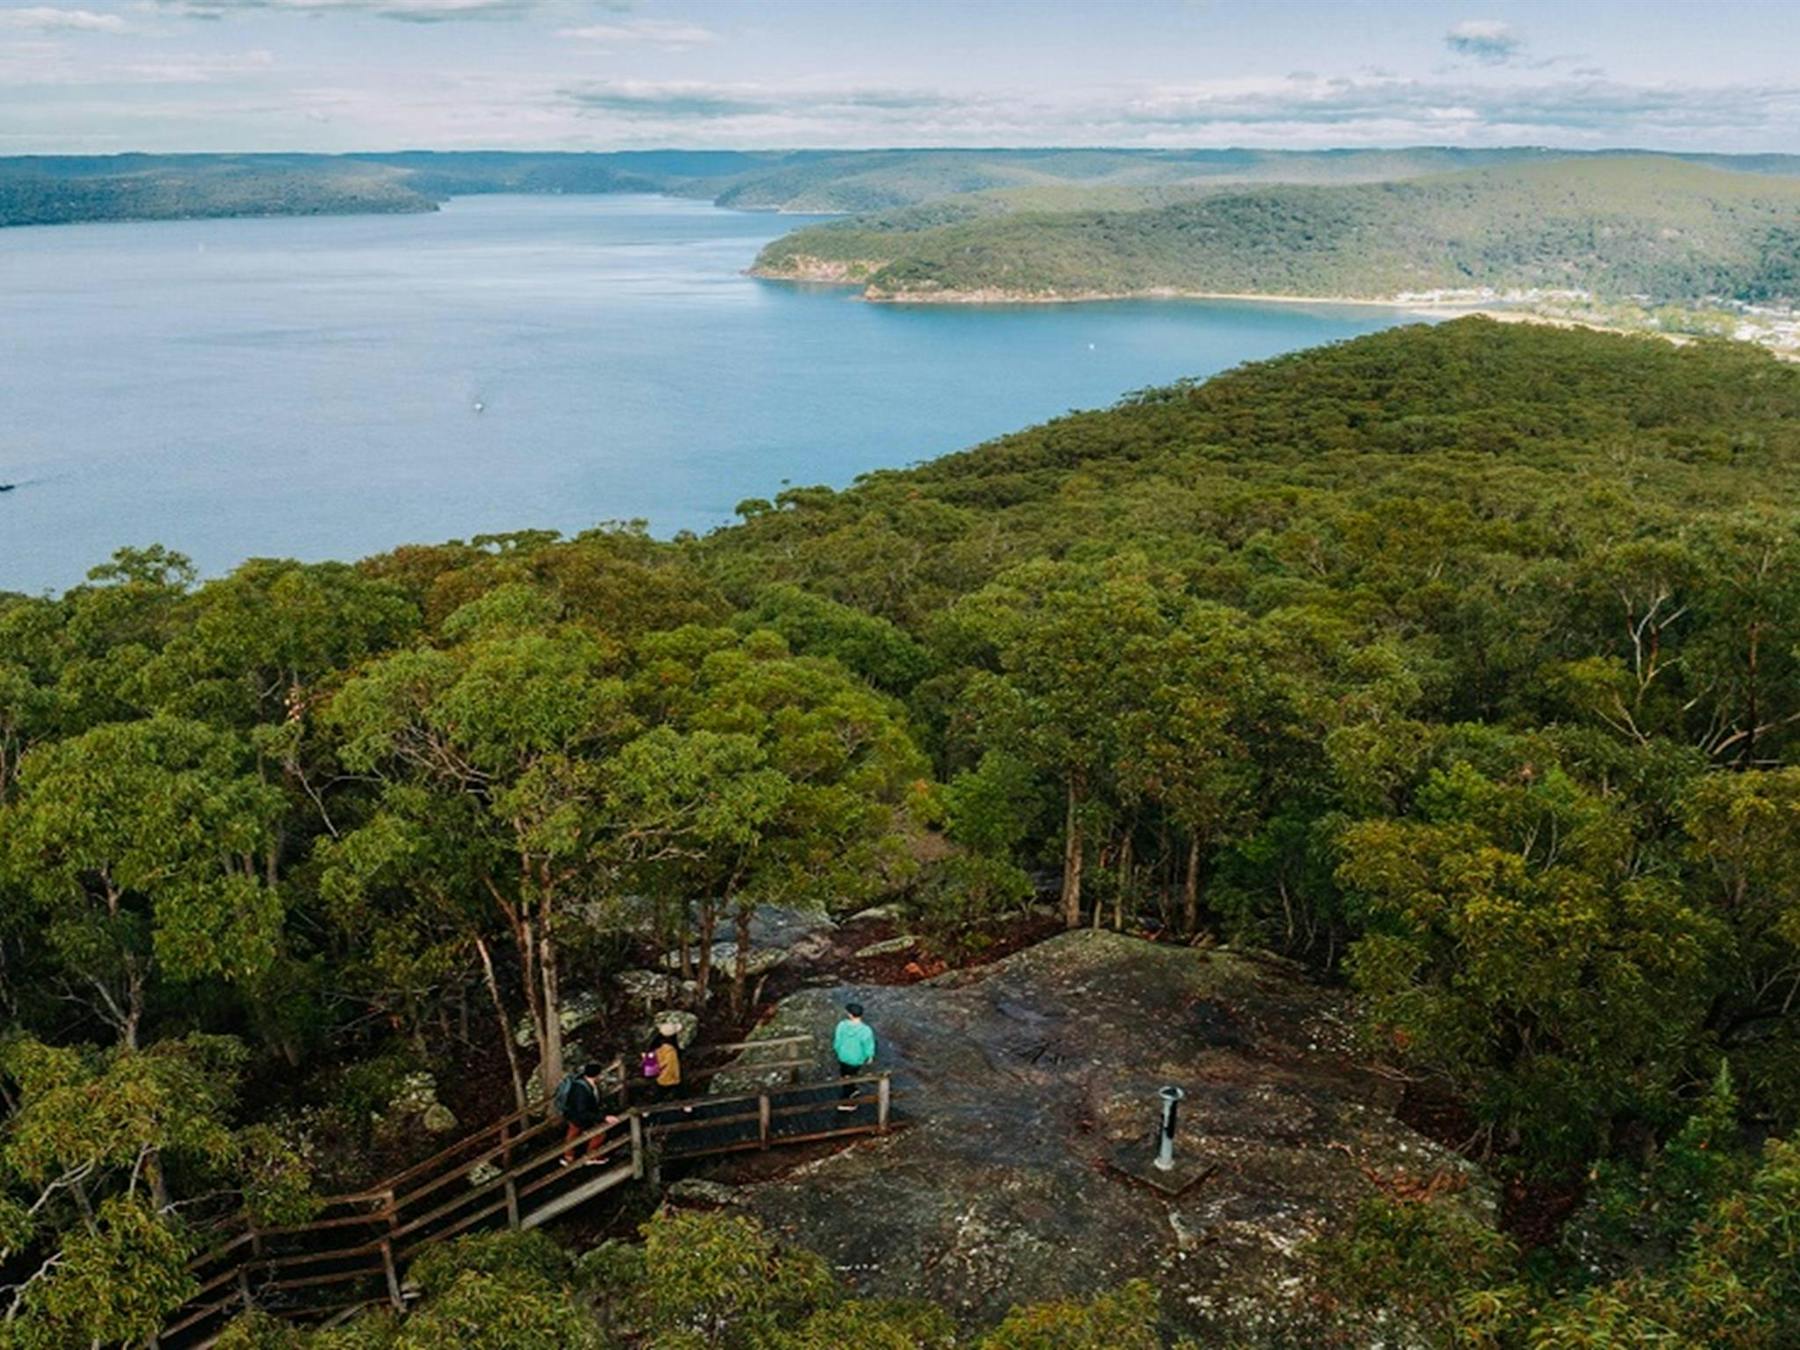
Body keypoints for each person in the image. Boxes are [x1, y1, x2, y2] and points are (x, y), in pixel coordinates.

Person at [558, 1062, 617, 1165]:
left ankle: (570, 1157)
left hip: (579, 1115)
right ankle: (588, 1156)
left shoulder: (587, 1085)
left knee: (574, 1135)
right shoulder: (581, 1089)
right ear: (597, 1075)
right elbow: (582, 1110)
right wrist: (603, 1117)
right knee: (596, 1133)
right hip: (578, 1116)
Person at [833, 1001, 876, 1111]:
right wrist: (870, 1056)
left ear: (850, 1015)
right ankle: (851, 1099)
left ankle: (849, 1099)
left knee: (845, 1076)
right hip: (857, 1058)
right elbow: (868, 1045)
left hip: (843, 1055)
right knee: (851, 1075)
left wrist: (837, 1050)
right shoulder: (866, 1030)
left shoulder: (842, 1025)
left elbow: (837, 1041)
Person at [651, 1022, 692, 1113]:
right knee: (678, 1090)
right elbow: (671, 1064)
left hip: (660, 1075)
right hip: (670, 1075)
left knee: (659, 1093)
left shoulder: (657, 1044)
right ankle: (686, 1107)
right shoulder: (670, 1049)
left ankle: (648, 1110)